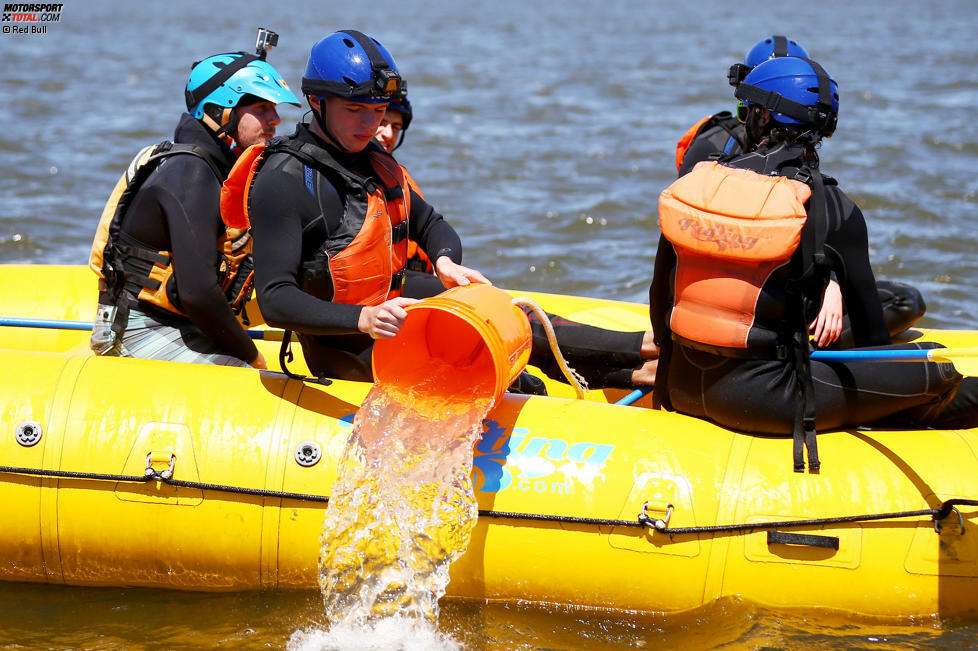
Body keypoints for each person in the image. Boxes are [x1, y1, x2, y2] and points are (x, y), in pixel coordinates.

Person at [239, 30, 657, 389]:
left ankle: (642, 361)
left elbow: (430, 223)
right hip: (345, 347)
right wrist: (363, 318)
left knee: (509, 315)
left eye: (379, 111)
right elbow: (275, 300)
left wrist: (444, 261)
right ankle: (642, 363)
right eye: (354, 110)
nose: (370, 125)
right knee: (517, 380)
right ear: (316, 101)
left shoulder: (373, 161)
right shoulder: (283, 180)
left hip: (392, 308)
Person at [650, 56, 977, 472]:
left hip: (679, 385)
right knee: (936, 369)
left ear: (761, 114)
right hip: (764, 401)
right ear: (824, 130)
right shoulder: (831, 206)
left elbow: (660, 298)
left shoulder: (693, 184)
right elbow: (874, 343)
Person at [676, 35, 925, 348]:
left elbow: (815, 240)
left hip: (721, 336)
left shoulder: (789, 169)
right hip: (740, 311)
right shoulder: (712, 154)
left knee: (905, 299)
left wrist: (833, 283)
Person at [89, 30, 299, 368]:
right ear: (221, 111)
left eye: (273, 108)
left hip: (179, 324)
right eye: (262, 108)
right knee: (245, 376)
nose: (275, 120)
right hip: (136, 331)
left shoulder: (218, 169)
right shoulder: (191, 172)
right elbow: (198, 293)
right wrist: (253, 356)